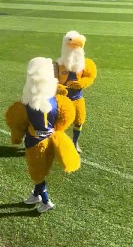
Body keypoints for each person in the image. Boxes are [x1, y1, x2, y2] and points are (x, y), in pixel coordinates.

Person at [5, 57, 80, 213]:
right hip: (52, 140)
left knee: (37, 173)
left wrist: (17, 137)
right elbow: (66, 118)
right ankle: (35, 195)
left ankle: (46, 201)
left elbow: (18, 124)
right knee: (43, 170)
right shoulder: (57, 101)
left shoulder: (27, 105)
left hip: (35, 142)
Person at [54, 31, 97, 153]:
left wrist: (81, 83)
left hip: (77, 98)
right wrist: (58, 87)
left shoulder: (86, 63)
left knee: (79, 121)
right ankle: (58, 142)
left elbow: (90, 76)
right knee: (59, 121)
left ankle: (75, 142)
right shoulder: (58, 64)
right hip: (62, 98)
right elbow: (51, 79)